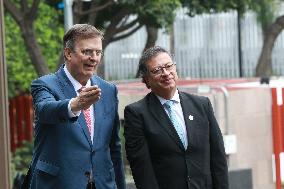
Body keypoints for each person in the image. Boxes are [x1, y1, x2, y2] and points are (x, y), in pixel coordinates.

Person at [27, 24, 125, 189]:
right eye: (87, 51)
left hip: (102, 184)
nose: (94, 58)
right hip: (59, 184)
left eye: (98, 52)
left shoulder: (108, 90)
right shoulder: (44, 85)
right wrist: (75, 104)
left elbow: (113, 146)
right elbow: (45, 109)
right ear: (68, 53)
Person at [124, 46, 228, 189]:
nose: (166, 73)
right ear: (147, 80)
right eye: (157, 70)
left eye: (168, 66)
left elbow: (218, 157)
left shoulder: (201, 105)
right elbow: (142, 169)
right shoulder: (137, 114)